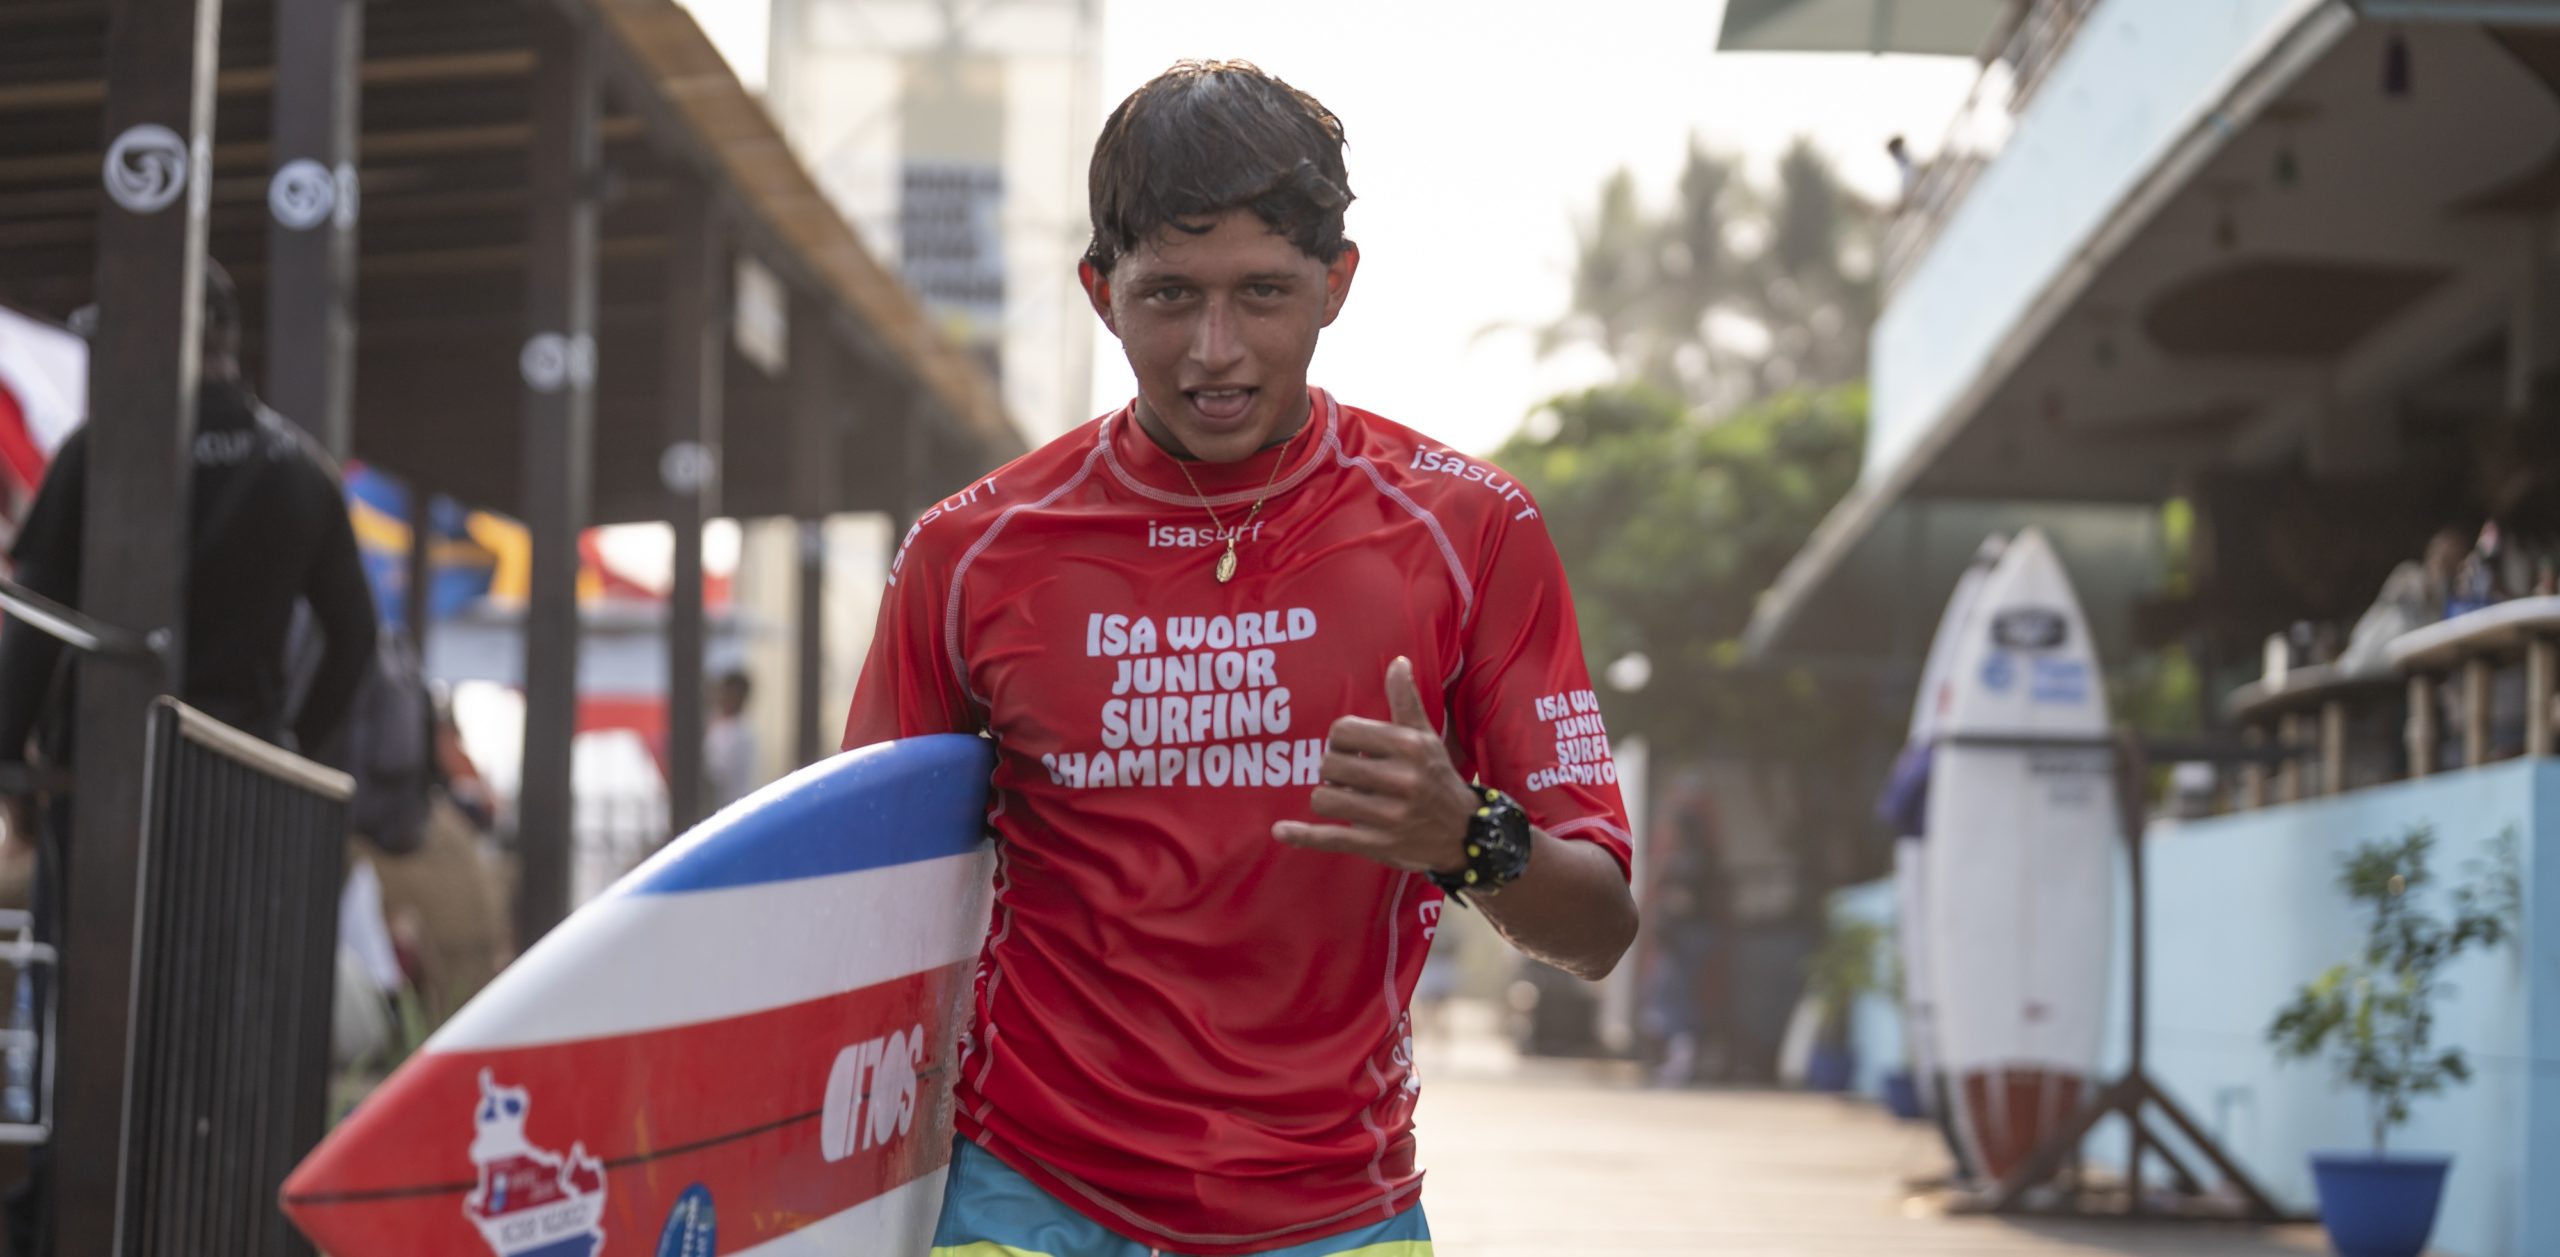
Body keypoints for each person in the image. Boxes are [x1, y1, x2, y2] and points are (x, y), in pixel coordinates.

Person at [846, 60, 1638, 1257]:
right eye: (1168, 296)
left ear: (1336, 284)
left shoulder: (1469, 533)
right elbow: (859, 912)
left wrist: (1465, 836)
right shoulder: (970, 554)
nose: (1214, 351)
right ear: (1100, 293)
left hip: (1337, 1213)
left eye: (1262, 292)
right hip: (1029, 1202)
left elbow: (1600, 928)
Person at [0, 261, 377, 1257]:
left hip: (106, 796)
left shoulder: (100, 453)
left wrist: (11, 763)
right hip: (234, 795)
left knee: (91, 1011)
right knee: (224, 1020)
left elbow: (31, 625)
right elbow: (356, 640)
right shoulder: (298, 467)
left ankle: (71, 1218)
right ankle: (217, 1220)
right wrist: (285, 747)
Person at [703, 668, 757, 810]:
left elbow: (716, 773)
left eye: (729, 694)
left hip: (731, 805)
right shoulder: (718, 726)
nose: (722, 698)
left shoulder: (742, 734)